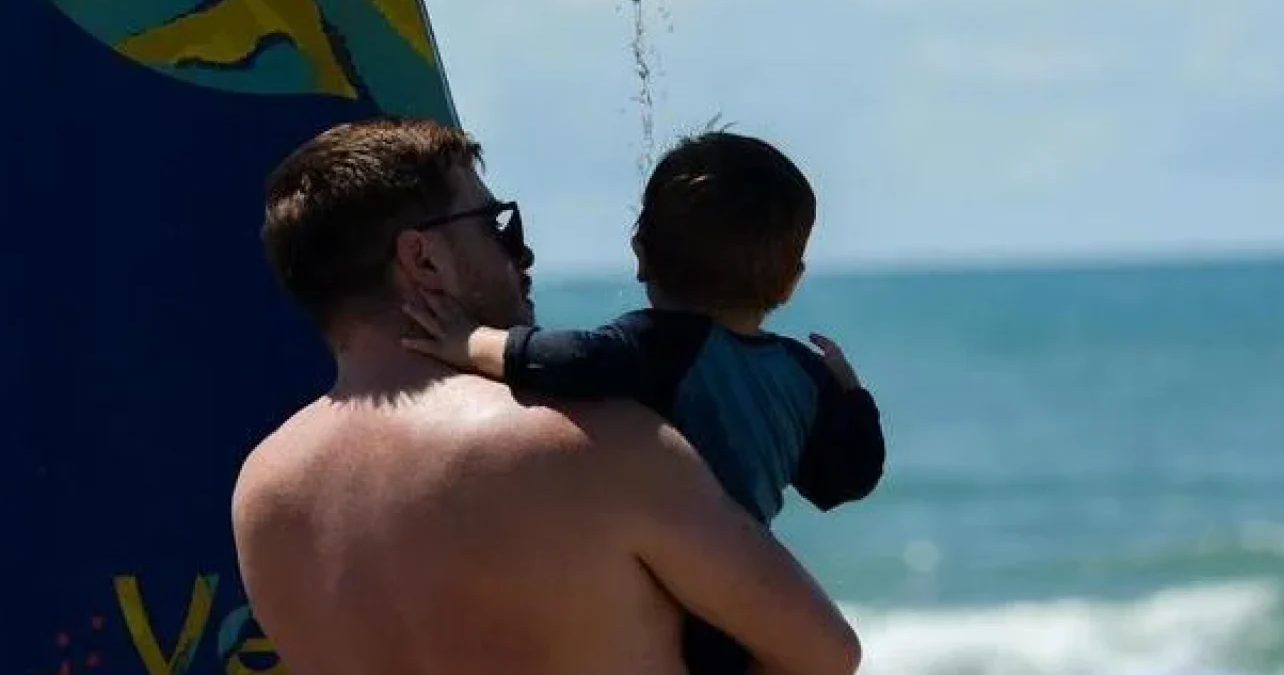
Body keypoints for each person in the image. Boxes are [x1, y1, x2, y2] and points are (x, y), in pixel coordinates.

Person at [230, 117, 862, 675]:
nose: (522, 253)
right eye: (497, 227)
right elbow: (826, 654)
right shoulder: (589, 443)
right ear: (423, 261)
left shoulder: (263, 491)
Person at [400, 130, 886, 675]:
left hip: (673, 587)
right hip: (744, 580)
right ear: (791, 282)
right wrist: (853, 399)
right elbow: (844, 479)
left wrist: (470, 341)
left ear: (640, 254)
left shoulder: (658, 347)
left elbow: (568, 361)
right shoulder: (802, 373)